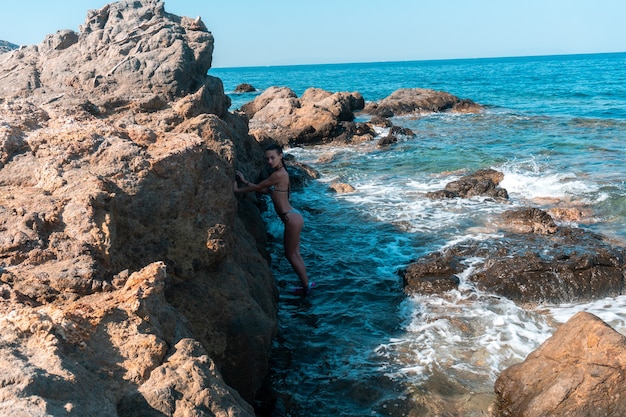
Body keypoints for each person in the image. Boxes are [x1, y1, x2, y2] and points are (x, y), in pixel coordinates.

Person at [234, 144, 311, 294]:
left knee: (290, 254)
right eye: (267, 158)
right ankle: (306, 284)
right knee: (296, 253)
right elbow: (266, 190)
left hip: (291, 219)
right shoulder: (282, 174)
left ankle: (306, 287)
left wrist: (238, 190)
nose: (269, 161)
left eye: (272, 158)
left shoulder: (279, 175)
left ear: (281, 156)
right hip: (294, 216)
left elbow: (259, 188)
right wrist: (245, 181)